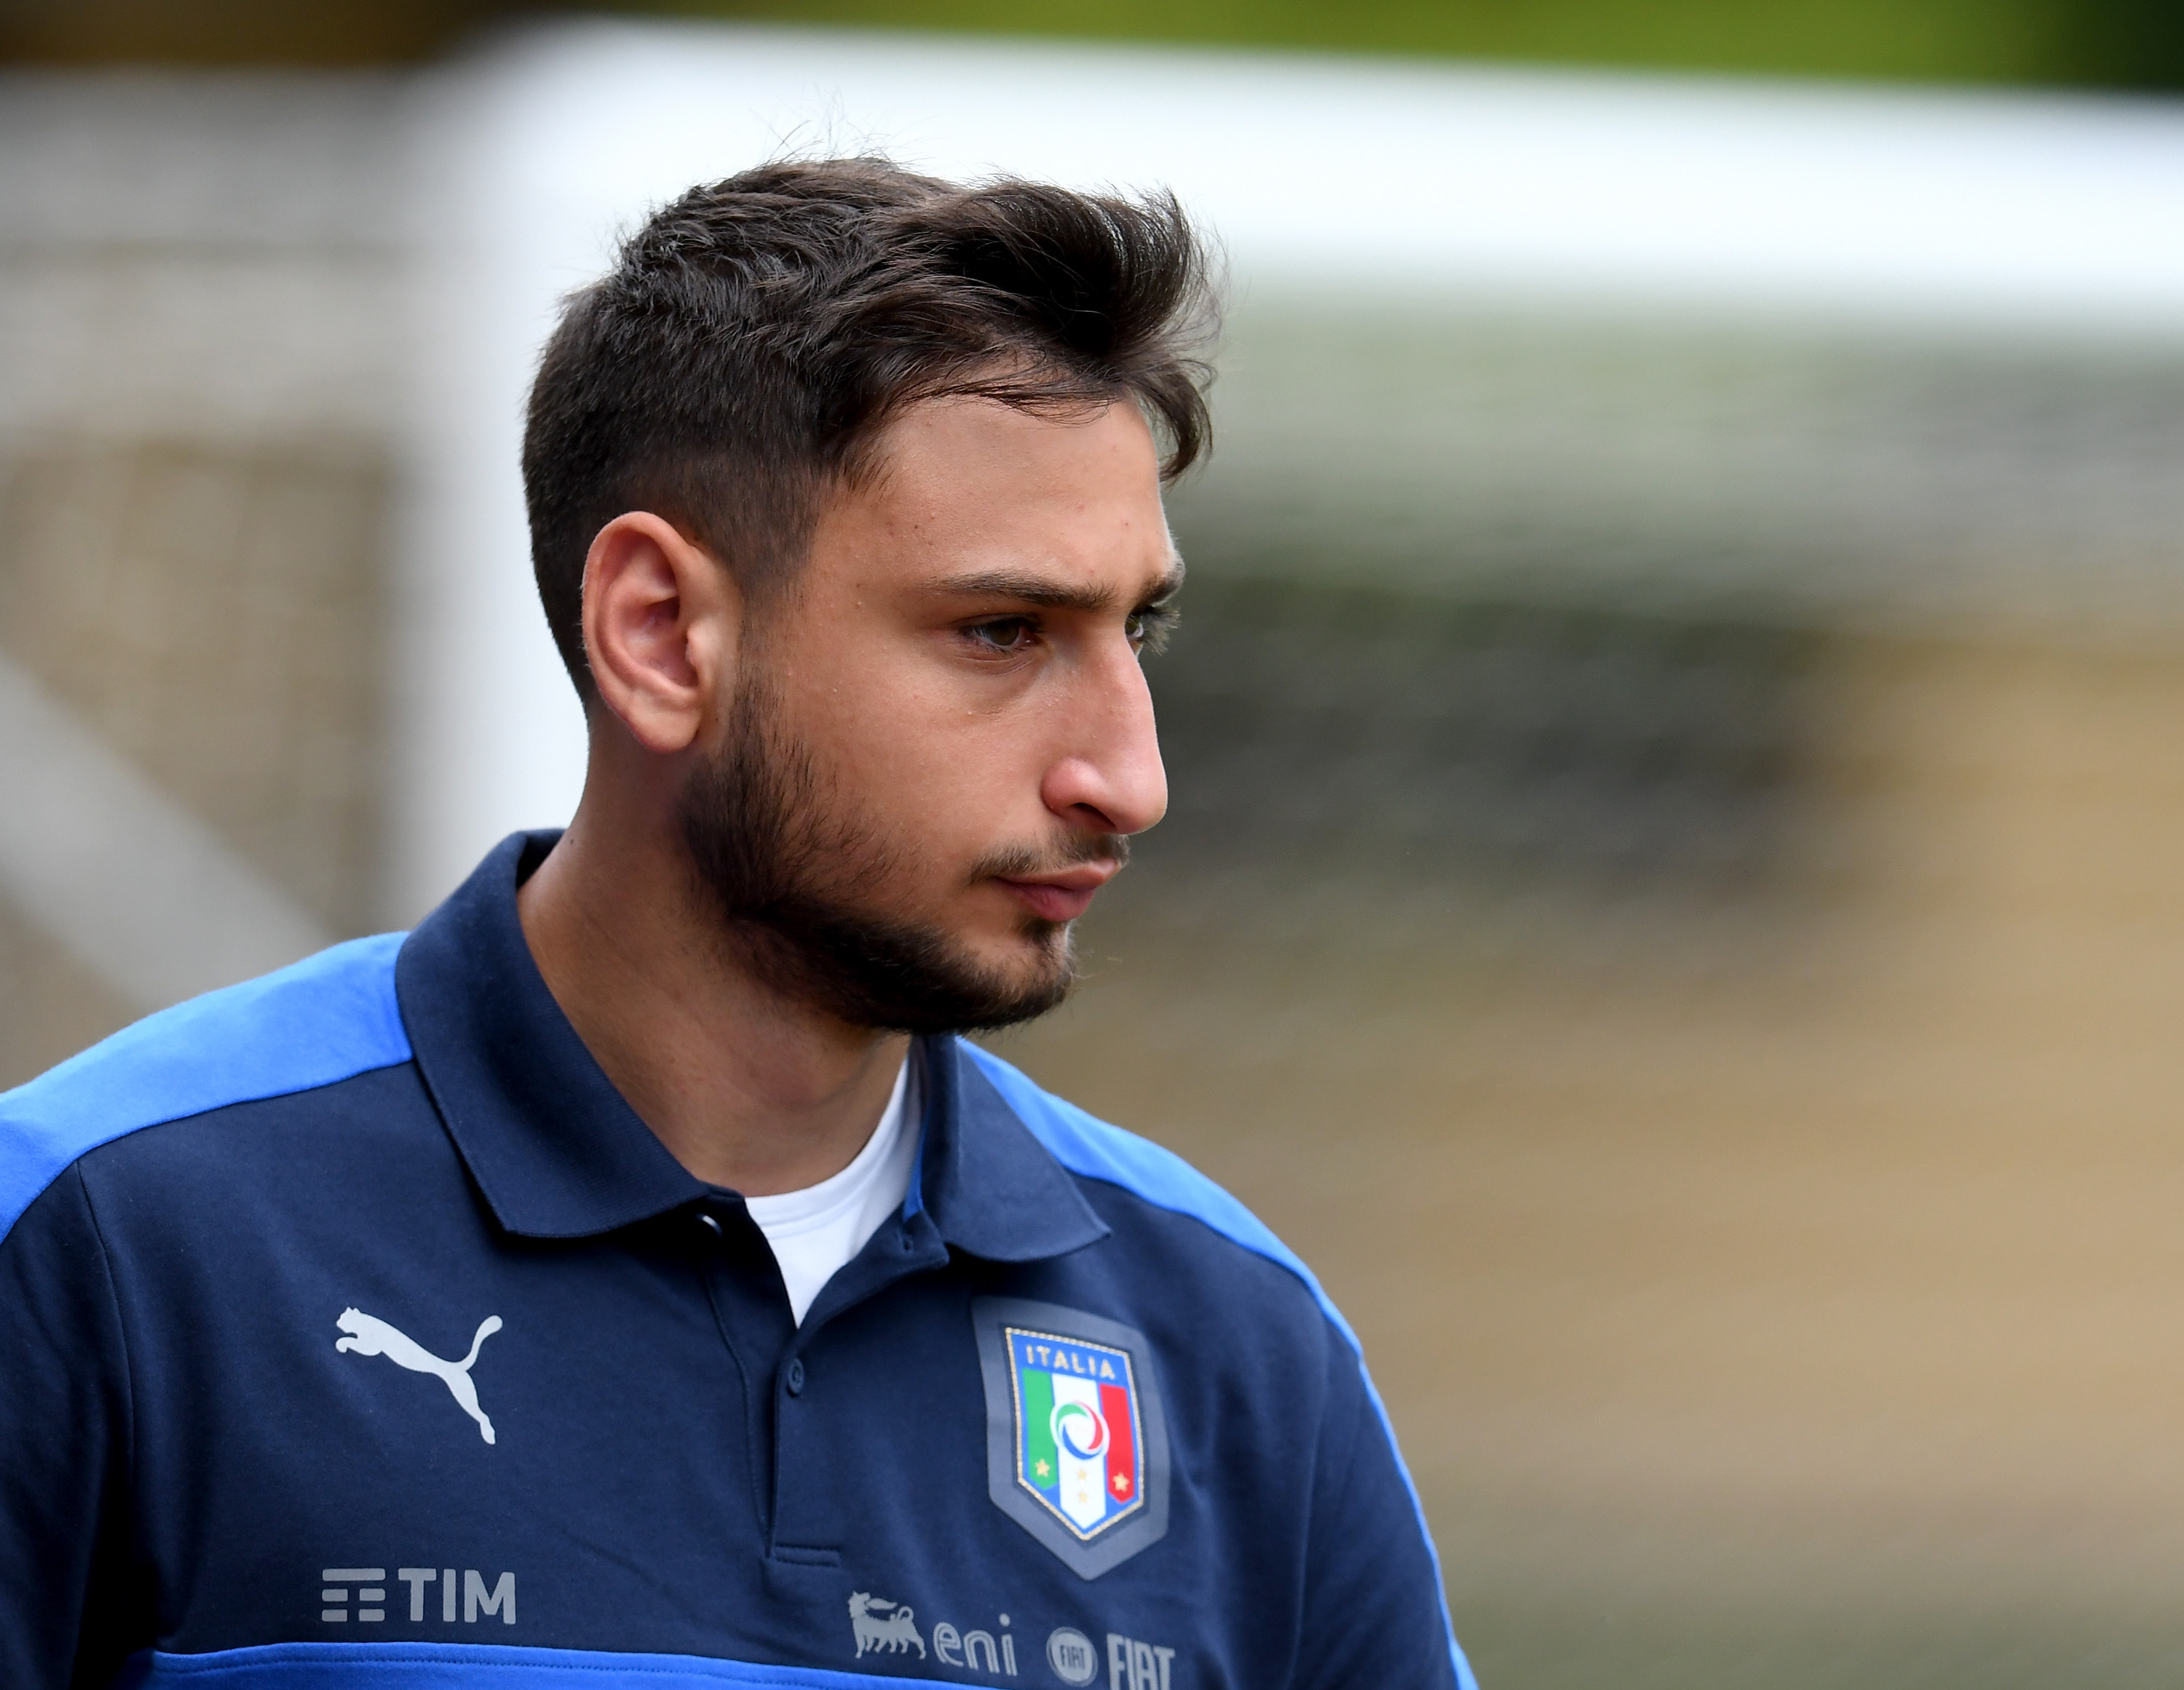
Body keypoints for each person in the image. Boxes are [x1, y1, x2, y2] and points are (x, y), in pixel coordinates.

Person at [0, 159, 1474, 1690]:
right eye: (1001, 632)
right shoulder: (101, 1238)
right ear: (659, 633)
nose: (1130, 778)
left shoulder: (1236, 1344)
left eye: (1134, 629)